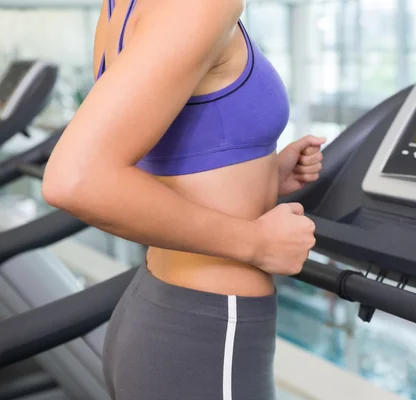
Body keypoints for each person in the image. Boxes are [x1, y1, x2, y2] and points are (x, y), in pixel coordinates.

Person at [42, 0, 325, 399]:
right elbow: (75, 180)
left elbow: (148, 151)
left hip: (161, 308)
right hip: (210, 325)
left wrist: (262, 176)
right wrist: (257, 243)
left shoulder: (120, 8)